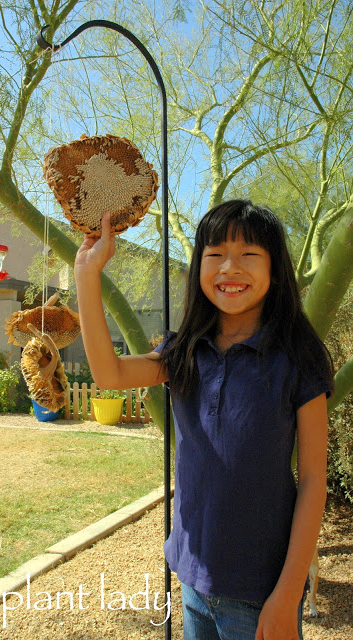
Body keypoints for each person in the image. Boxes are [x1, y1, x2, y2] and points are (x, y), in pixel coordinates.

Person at [74, 200, 333, 640]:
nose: (229, 268)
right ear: (199, 268)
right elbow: (109, 373)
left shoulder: (298, 358)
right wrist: (86, 274)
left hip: (262, 592)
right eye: (214, 255)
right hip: (192, 581)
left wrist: (288, 594)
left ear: (275, 269)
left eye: (249, 254)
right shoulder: (184, 352)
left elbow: (312, 480)